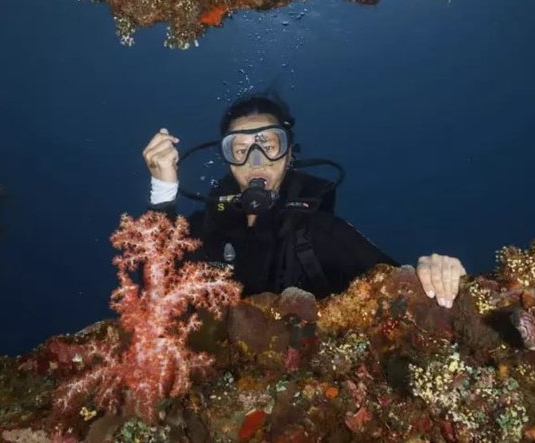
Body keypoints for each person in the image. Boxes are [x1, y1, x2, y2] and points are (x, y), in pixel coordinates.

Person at [142, 93, 466, 308]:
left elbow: (394, 284)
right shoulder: (205, 229)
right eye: (240, 150)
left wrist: (430, 272)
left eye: (269, 144)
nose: (256, 161)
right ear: (228, 162)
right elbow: (152, 288)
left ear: (288, 156)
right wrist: (162, 189)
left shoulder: (318, 234)